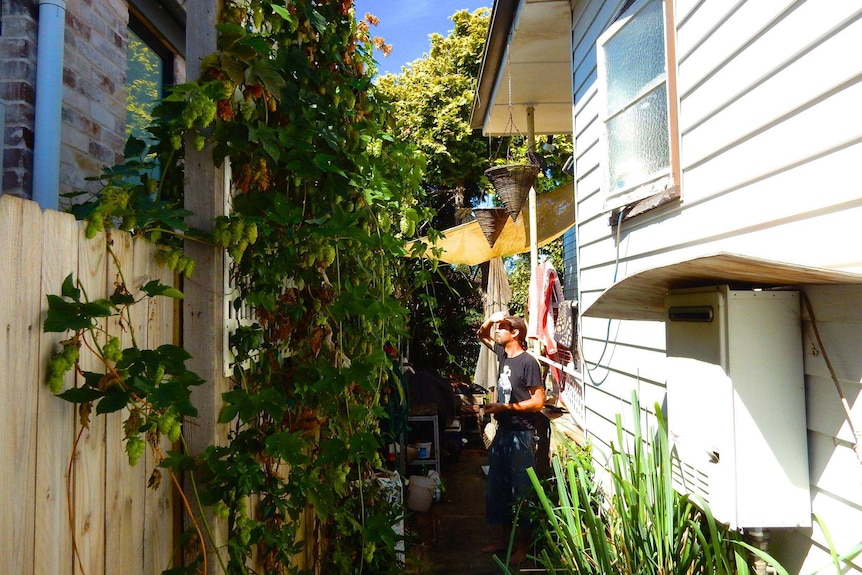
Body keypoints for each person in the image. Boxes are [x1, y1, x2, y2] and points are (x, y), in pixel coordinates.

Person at [476, 310, 545, 564]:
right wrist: (492, 319)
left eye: (503, 327)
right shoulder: (503, 354)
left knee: (521, 493)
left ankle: (523, 546)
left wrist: (507, 408)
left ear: (515, 333)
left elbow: (538, 401)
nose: (498, 331)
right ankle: (505, 540)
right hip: (503, 434)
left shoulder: (528, 362)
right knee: (499, 491)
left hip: (521, 436)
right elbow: (481, 334)